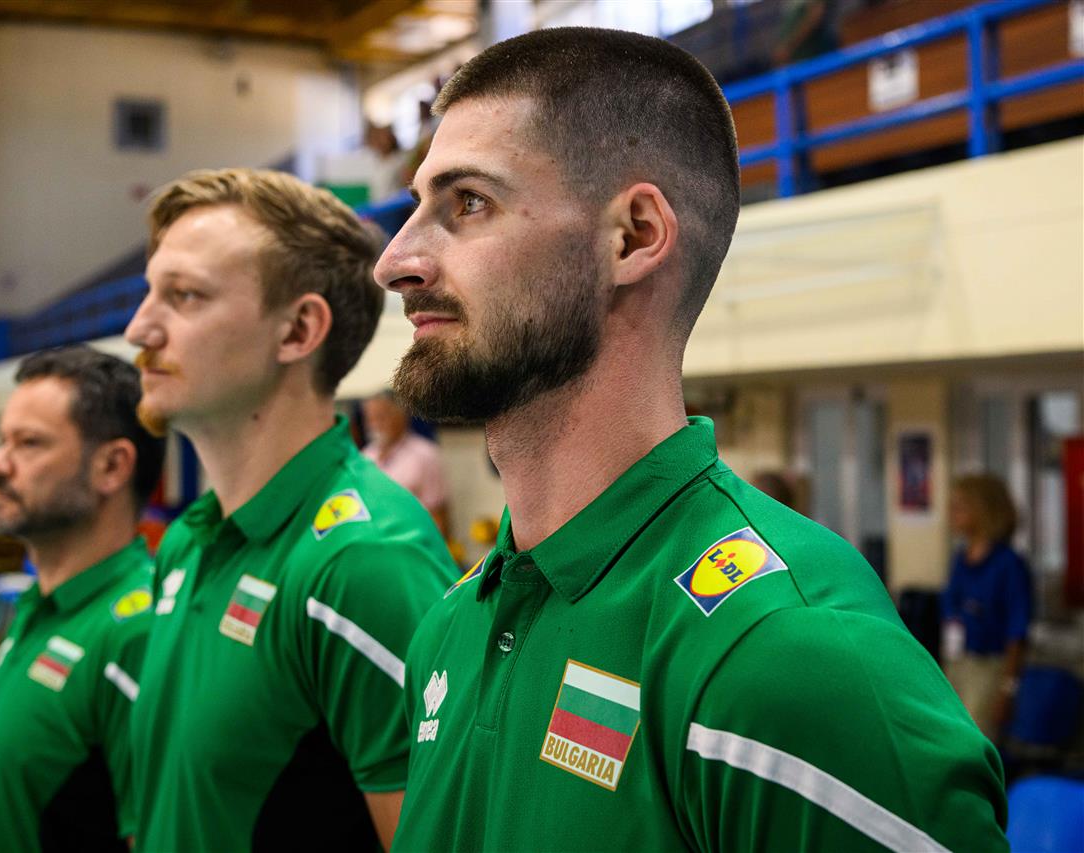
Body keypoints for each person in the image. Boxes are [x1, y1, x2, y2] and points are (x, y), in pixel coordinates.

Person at [374, 28, 1008, 852]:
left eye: (468, 203)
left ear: (634, 235)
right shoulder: (450, 627)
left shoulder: (788, 654)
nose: (396, 260)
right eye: (415, 207)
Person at [123, 168, 455, 852]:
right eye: (149, 293)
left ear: (299, 329)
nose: (139, 329)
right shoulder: (187, 542)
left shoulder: (363, 565)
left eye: (184, 296)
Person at [0, 346, 165, 852]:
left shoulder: (136, 634)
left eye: (28, 444)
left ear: (111, 466)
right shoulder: (41, 606)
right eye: (3, 440)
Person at [941, 474, 1032, 741]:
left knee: (974, 740)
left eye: (960, 507)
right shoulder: (961, 560)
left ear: (983, 510)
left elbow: (1017, 634)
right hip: (958, 660)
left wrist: (1008, 688)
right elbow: (952, 613)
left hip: (989, 667)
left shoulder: (1008, 565)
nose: (952, 514)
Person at [362, 390, 450, 535]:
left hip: (414, 540)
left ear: (401, 415)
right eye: (370, 419)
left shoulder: (425, 454)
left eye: (381, 417)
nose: (375, 425)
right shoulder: (365, 457)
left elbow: (438, 514)